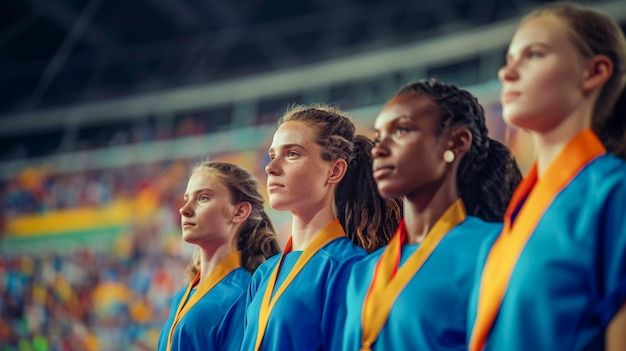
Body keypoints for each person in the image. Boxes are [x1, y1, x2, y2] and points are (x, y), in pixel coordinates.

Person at [468, 3, 626, 351]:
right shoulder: (519, 215)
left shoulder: (613, 193)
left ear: (594, 71)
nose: (506, 73)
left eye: (534, 55)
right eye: (509, 59)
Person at [341, 78, 522, 350]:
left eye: (401, 130)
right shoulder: (363, 271)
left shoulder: (496, 249)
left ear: (456, 142)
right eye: (378, 137)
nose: (379, 148)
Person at [240, 104, 402, 351]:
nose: (271, 168)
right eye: (273, 156)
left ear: (335, 170)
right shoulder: (263, 274)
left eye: (292, 154)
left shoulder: (353, 268)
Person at [158, 161, 280, 351]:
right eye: (186, 199)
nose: (184, 209)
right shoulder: (182, 296)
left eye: (203, 198)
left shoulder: (245, 294)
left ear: (239, 212)